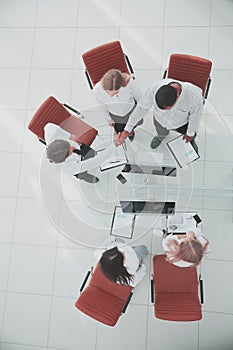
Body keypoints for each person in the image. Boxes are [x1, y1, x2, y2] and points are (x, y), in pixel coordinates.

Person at [115, 79, 203, 153]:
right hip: (159, 120)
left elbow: (195, 118)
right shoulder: (154, 88)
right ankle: (161, 136)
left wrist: (190, 134)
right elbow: (141, 109)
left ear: (177, 97)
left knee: (189, 134)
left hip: (182, 123)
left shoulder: (194, 96)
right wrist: (126, 131)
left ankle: (191, 141)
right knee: (161, 131)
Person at [44, 122, 117, 183]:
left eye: (68, 145)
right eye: (70, 151)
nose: (72, 147)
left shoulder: (51, 136)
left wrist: (70, 136)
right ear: (65, 158)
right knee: (82, 173)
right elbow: (95, 161)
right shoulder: (68, 168)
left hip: (80, 147)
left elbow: (48, 126)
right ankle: (85, 176)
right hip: (77, 165)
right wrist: (115, 145)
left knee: (92, 153)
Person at [93, 69, 143, 141]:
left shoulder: (130, 83)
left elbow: (140, 98)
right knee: (119, 129)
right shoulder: (97, 90)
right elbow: (102, 106)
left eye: (115, 93)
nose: (110, 96)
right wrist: (108, 119)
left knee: (132, 125)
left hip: (131, 109)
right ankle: (117, 132)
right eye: (107, 92)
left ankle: (130, 131)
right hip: (115, 114)